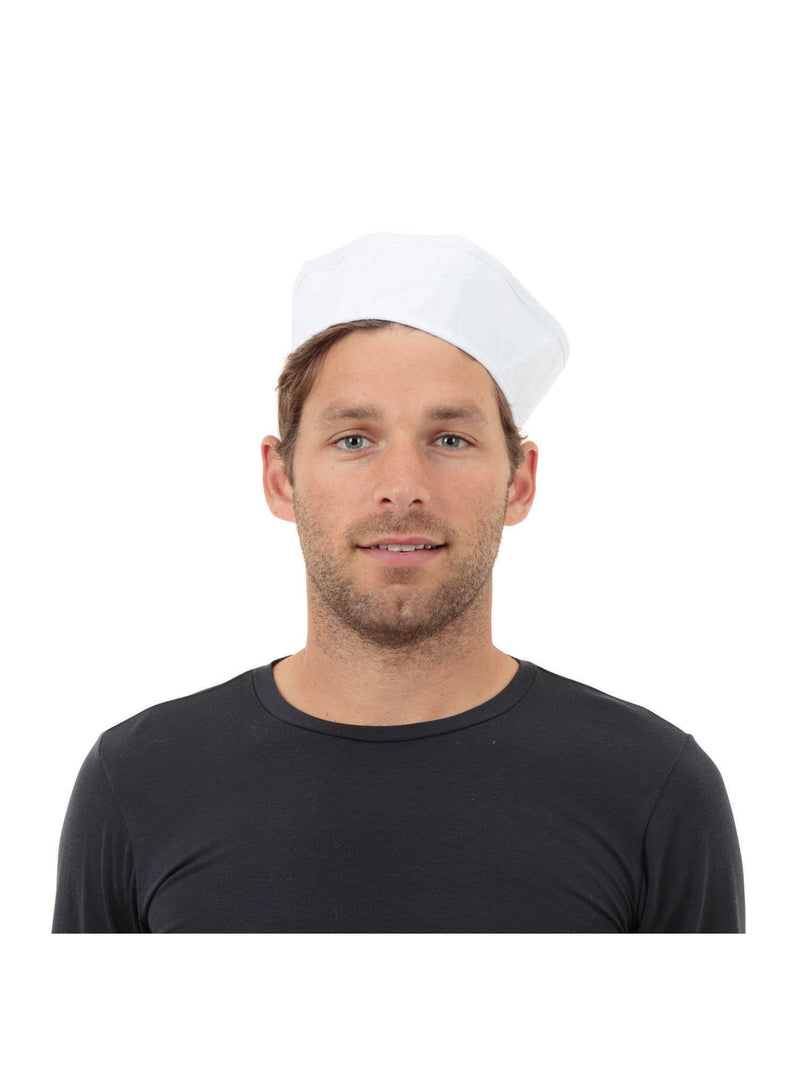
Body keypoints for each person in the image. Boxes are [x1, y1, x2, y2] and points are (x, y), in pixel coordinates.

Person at [52, 233, 745, 933]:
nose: (403, 486)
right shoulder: (138, 782)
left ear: (519, 483)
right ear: (280, 478)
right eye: (354, 439)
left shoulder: (653, 790)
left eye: (450, 439)